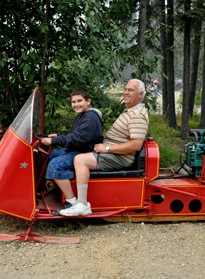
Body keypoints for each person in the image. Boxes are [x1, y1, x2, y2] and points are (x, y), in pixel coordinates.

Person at [59, 79, 149, 216]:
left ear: (140, 94)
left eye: (130, 90)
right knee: (71, 153)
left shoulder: (138, 115)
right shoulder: (130, 111)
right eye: (125, 89)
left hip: (121, 157)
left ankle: (82, 204)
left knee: (80, 160)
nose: (126, 92)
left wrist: (106, 149)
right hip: (112, 152)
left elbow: (136, 145)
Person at [41, 88, 103, 216]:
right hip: (77, 149)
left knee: (55, 164)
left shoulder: (90, 118)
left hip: (84, 152)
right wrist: (58, 136)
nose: (76, 104)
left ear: (88, 101)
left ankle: (71, 202)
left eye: (79, 101)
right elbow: (75, 135)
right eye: (73, 102)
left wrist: (54, 141)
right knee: (48, 155)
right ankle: (47, 189)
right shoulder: (82, 116)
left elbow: (76, 139)